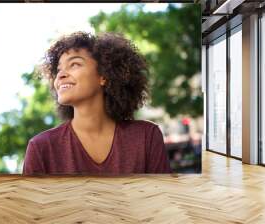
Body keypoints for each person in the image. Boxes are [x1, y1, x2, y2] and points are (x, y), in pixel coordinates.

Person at [23, 31, 171, 175]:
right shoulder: (41, 148)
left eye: (74, 64)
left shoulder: (146, 137)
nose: (61, 75)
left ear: (103, 76)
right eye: (58, 69)